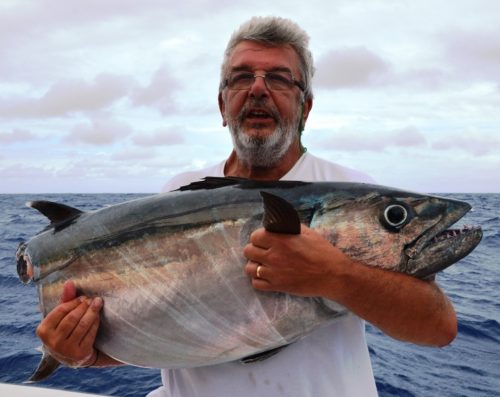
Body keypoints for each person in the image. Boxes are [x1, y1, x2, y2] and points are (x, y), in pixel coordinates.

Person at [36, 16, 457, 397]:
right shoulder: (178, 193)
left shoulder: (354, 191)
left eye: (278, 78)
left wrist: (337, 276)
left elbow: (438, 327)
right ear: (223, 106)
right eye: (241, 78)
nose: (258, 89)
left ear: (305, 108)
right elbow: (167, 336)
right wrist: (82, 352)